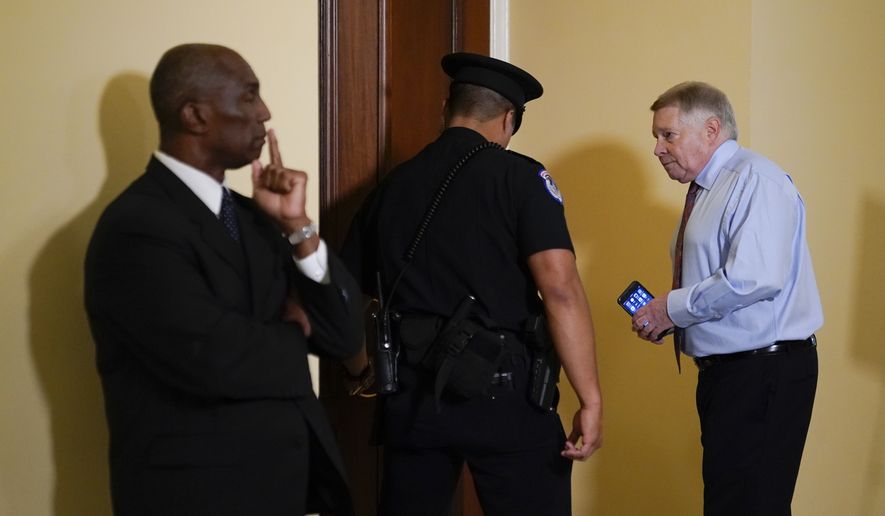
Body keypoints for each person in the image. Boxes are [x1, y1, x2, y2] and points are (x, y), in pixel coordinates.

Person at [84, 43, 368, 516]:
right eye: (249, 96)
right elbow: (213, 358)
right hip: (192, 496)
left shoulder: (257, 217)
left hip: (281, 489)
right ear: (195, 116)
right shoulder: (136, 226)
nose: (265, 112)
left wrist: (299, 229)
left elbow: (343, 334)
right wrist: (294, 331)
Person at [341, 52, 603, 516]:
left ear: (446, 108)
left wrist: (361, 371)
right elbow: (560, 289)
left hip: (412, 397)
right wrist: (590, 397)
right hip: (504, 395)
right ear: (508, 119)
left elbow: (347, 295)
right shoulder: (521, 178)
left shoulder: (392, 187)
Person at [632, 81, 823, 515]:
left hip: (762, 371)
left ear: (711, 129)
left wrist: (671, 309)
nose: (657, 149)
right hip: (730, 374)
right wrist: (669, 318)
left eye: (668, 135)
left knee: (748, 506)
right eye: (656, 137)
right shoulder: (708, 190)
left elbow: (753, 278)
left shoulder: (756, 180)